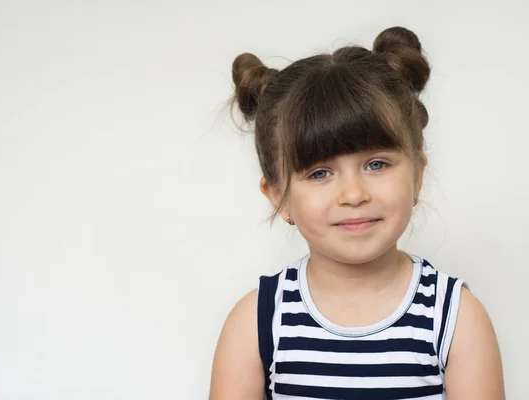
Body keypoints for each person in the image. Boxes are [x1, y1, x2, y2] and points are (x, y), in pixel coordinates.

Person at [209, 26, 505, 400]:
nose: (353, 194)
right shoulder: (258, 321)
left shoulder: (454, 317)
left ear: (417, 176)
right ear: (278, 197)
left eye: (377, 164)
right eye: (319, 172)